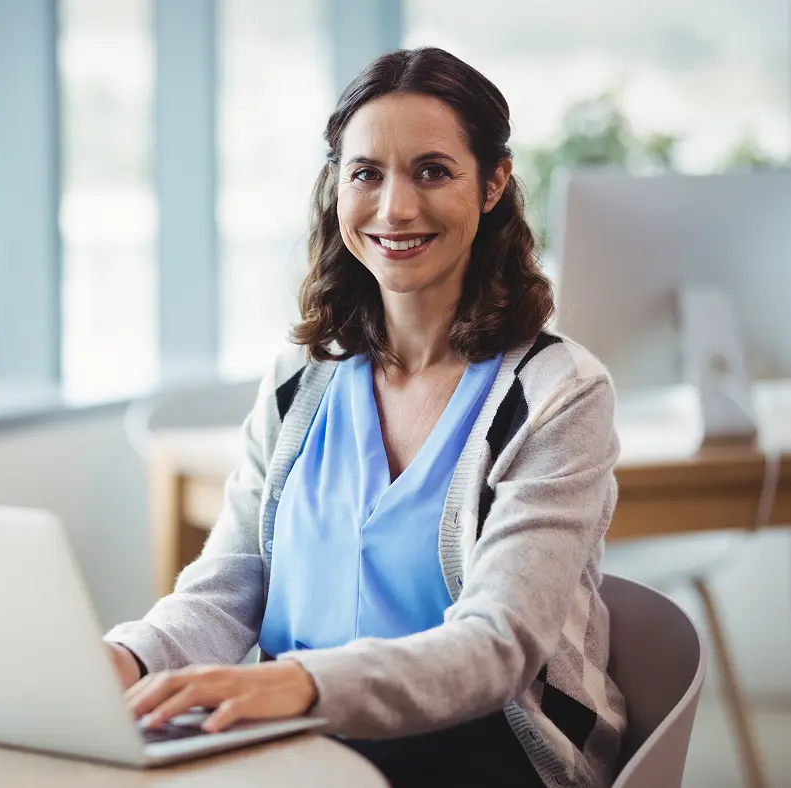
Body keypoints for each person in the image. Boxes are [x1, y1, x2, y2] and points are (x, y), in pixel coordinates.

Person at [104, 47, 626, 788]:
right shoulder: (299, 381)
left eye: (432, 171)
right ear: (336, 186)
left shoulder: (557, 391)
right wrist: (123, 658)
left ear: (493, 184)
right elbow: (227, 588)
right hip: (301, 742)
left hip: (487, 748)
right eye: (365, 174)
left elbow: (498, 645)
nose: (394, 208)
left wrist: (303, 686)